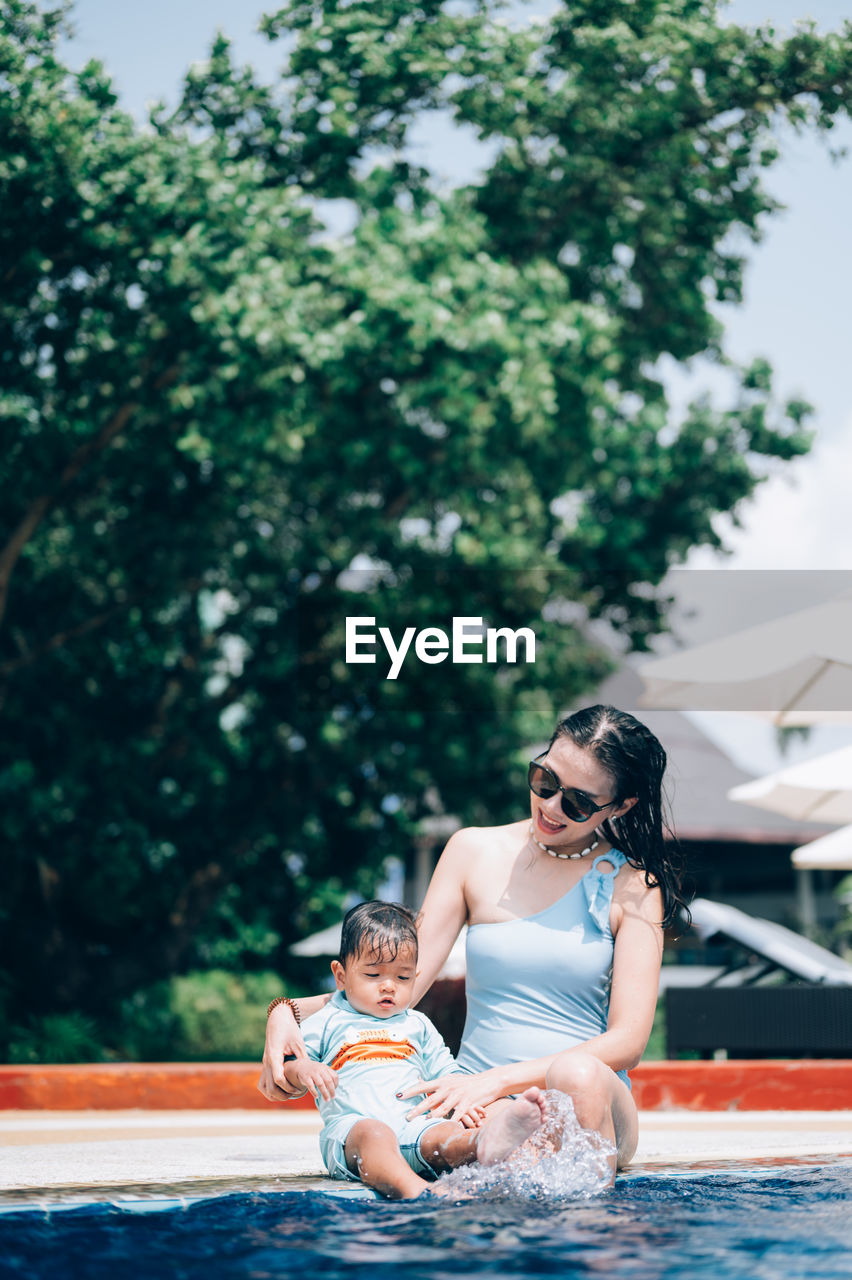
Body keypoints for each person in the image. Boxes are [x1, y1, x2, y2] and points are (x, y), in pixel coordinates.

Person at [261, 705, 687, 1183]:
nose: (550, 806)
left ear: (622, 805)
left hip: (590, 1099)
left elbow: (627, 1042)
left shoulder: (633, 885)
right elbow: (400, 979)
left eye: (579, 803)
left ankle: (590, 1236)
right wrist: (285, 1011)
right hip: (481, 1107)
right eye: (545, 780)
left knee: (576, 1072)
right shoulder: (472, 852)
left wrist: (497, 1081)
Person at [282, 899, 548, 1199]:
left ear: (416, 977)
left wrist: (466, 1103)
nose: (388, 986)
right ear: (341, 975)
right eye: (373, 975)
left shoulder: (417, 1025)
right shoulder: (328, 1020)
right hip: (351, 1133)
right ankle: (416, 1190)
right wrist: (305, 1068)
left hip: (414, 1128)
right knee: (375, 1133)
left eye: (402, 977)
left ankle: (484, 1143)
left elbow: (448, 1075)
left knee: (445, 1135)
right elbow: (289, 1068)